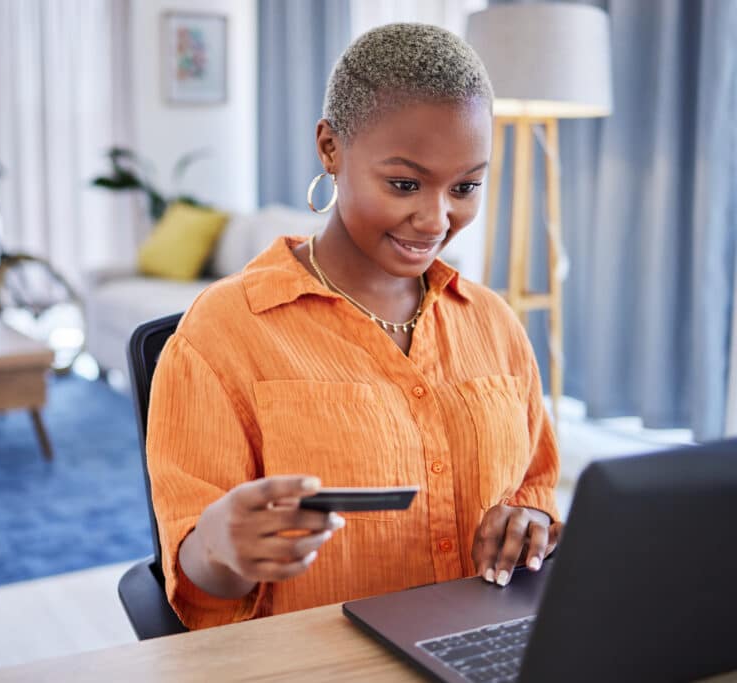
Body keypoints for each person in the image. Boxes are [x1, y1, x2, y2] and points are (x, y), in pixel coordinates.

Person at [145, 23, 561, 631]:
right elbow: (199, 596)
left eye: (466, 186)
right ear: (331, 148)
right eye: (404, 184)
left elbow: (536, 487)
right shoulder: (224, 333)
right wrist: (218, 549)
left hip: (483, 652)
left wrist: (533, 526)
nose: (435, 219)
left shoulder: (493, 323)